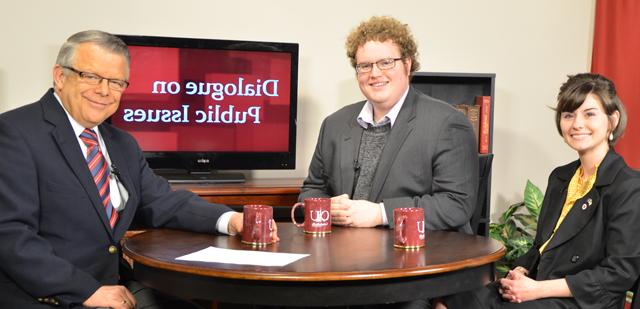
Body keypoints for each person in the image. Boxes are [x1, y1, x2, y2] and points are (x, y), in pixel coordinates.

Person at [0, 30, 278, 309]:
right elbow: (10, 235)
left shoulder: (122, 143)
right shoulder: (15, 133)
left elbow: (162, 201)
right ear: (60, 76)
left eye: (116, 82)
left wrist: (230, 220)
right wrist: (87, 291)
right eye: (92, 77)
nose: (104, 91)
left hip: (115, 284)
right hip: (49, 295)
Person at [440, 73, 640, 309]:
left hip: (582, 301)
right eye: (568, 115)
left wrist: (536, 290)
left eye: (589, 114)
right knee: (451, 299)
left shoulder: (629, 186)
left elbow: (619, 273)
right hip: (538, 287)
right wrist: (521, 270)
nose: (577, 124)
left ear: (613, 120)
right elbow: (542, 246)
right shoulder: (560, 177)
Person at [299, 16, 479, 233]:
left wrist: (380, 213)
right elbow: (312, 189)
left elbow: (456, 204)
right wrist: (328, 207)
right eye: (365, 66)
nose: (375, 74)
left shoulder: (448, 123)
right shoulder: (334, 124)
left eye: (386, 62)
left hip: (418, 256)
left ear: (407, 63)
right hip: (345, 254)